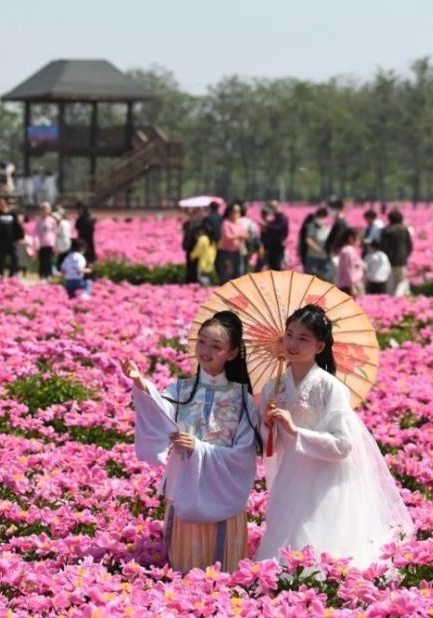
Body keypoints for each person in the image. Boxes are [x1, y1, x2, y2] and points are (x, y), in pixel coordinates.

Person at [256, 305, 413, 568]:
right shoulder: (272, 387)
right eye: (289, 335)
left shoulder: (331, 388)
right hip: (290, 475)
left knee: (321, 551)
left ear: (319, 347)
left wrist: (296, 431)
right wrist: (269, 425)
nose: (292, 343)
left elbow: (342, 446)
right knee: (281, 556)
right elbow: (268, 445)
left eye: (303, 338)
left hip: (325, 478)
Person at [124, 311, 260, 573]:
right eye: (202, 341)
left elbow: (244, 453)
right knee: (184, 571)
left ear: (232, 354)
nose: (206, 351)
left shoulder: (243, 398)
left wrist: (200, 448)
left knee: (223, 574)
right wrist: (141, 384)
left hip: (223, 489)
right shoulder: (183, 389)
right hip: (186, 480)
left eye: (216, 346)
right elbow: (160, 411)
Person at [0, 198, 23, 278]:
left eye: (2, 203)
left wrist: (20, 237)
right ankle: (1, 274)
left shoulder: (12, 214)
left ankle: (12, 274)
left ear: (6, 204)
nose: (0, 205)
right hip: (0, 241)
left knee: (14, 258)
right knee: (0, 259)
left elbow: (18, 226)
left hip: (12, 240)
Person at [380, 208, 413, 297]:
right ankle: (397, 297)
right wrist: (406, 255)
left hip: (389, 260)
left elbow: (383, 246)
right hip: (402, 260)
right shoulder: (404, 229)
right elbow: (409, 245)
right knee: (401, 281)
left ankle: (390, 299)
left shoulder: (386, 230)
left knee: (390, 282)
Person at [216, 203, 248, 283]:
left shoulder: (240, 223)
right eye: (235, 211)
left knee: (238, 272)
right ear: (230, 212)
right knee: (227, 273)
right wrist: (238, 236)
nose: (237, 213)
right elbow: (227, 237)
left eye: (238, 211)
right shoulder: (226, 223)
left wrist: (243, 236)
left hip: (238, 251)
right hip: (227, 252)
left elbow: (245, 234)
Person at [260, 201, 289, 270]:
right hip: (271, 245)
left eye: (273, 207)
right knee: (271, 265)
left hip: (278, 245)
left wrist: (267, 225)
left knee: (277, 265)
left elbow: (279, 228)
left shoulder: (283, 218)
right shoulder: (273, 218)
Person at [303, 208, 332, 279]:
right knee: (310, 278)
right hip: (313, 257)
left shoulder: (329, 228)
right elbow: (308, 239)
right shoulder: (311, 227)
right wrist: (317, 249)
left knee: (323, 279)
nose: (320, 219)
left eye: (322, 217)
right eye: (319, 217)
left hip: (324, 258)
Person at [335, 228, 365, 296]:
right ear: (351, 238)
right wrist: (352, 286)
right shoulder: (349, 251)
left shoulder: (347, 249)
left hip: (346, 284)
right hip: (348, 286)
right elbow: (349, 269)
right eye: (358, 239)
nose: (359, 241)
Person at [33, 202, 57, 280]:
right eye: (43, 209)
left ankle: (48, 274)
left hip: (50, 243)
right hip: (41, 243)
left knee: (49, 260)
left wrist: (54, 243)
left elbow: (54, 232)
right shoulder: (38, 220)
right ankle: (42, 275)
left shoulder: (52, 220)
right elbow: (36, 232)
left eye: (46, 209)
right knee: (42, 260)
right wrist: (36, 242)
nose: (44, 211)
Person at [182, 208, 204, 284]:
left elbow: (200, 235)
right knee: (189, 263)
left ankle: (195, 280)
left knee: (195, 264)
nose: (192, 215)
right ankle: (189, 279)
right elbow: (184, 232)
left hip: (196, 247)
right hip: (188, 246)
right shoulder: (187, 223)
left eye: (194, 213)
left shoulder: (200, 223)